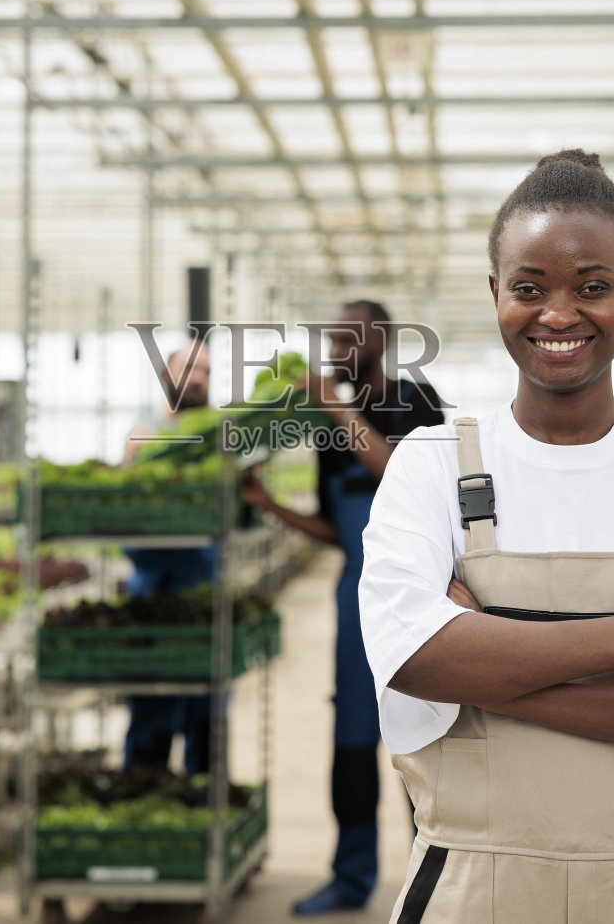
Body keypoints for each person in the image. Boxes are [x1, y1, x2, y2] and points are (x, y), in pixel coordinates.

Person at [356, 150, 614, 923]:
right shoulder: (431, 462)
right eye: (528, 287)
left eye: (592, 286)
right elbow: (414, 657)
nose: (558, 313)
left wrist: (484, 659)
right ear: (495, 295)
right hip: (469, 885)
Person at [240, 301, 445, 915]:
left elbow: (397, 470)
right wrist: (268, 503)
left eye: (346, 338)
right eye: (329, 339)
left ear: (380, 340)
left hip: (420, 604)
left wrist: (334, 404)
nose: (333, 349)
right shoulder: (334, 429)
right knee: (352, 743)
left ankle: (431, 881)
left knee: (425, 741)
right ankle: (350, 877)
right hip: (355, 604)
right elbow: (337, 528)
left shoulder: (416, 401)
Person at [121, 339, 216, 774]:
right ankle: (144, 786)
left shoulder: (219, 437)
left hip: (202, 586)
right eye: (189, 369)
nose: (198, 379)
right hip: (151, 585)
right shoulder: (144, 432)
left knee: (206, 711)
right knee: (150, 698)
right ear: (166, 376)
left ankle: (200, 802)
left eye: (207, 372)